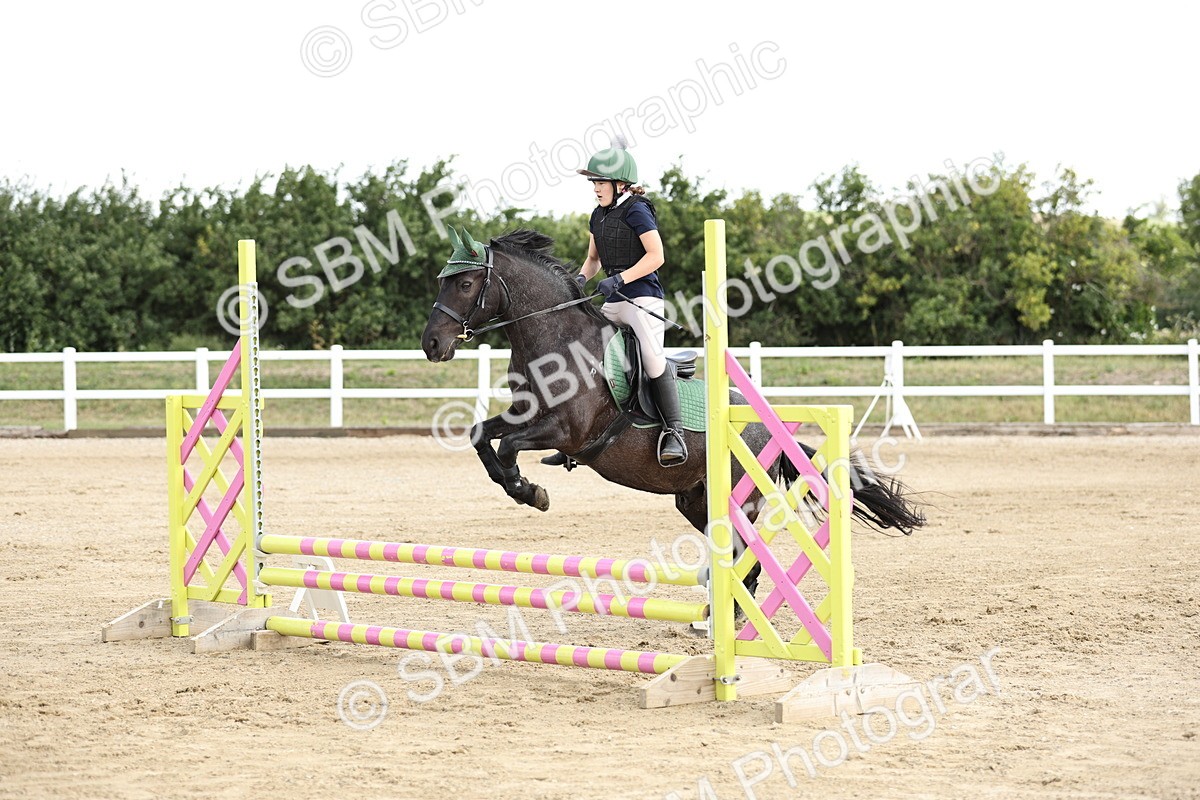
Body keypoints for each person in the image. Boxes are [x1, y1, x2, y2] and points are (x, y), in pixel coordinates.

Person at [543, 142, 687, 467]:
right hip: (613, 303)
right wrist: (580, 279)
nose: (595, 188)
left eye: (600, 182)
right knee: (582, 350)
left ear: (619, 184)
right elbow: (593, 260)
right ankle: (573, 436)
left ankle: (674, 433)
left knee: (651, 359)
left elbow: (656, 256)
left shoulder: (637, 209)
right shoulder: (597, 216)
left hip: (642, 300)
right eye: (593, 183)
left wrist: (621, 279)